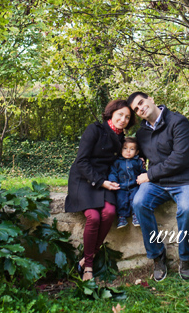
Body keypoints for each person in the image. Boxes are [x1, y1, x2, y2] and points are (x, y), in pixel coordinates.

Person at [127, 91, 189, 281]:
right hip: (159, 183)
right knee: (139, 203)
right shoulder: (142, 133)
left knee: (186, 208)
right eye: (136, 109)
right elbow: (136, 156)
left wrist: (150, 174)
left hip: (186, 179)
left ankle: (185, 258)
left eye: (141, 103)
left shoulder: (178, 122)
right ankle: (157, 256)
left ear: (151, 99)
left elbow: (180, 158)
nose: (141, 108)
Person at [65, 99, 134, 281]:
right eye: (120, 114)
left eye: (127, 117)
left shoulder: (121, 138)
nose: (123, 119)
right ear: (111, 113)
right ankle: (88, 266)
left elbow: (127, 155)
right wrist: (101, 181)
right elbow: (81, 161)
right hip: (85, 179)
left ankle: (86, 259)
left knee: (109, 213)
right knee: (93, 217)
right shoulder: (94, 129)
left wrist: (137, 161)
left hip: (106, 181)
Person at [108, 137, 146, 229]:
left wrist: (145, 176)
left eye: (132, 149)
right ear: (120, 150)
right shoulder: (117, 162)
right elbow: (113, 172)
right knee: (121, 200)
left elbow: (143, 172)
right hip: (121, 186)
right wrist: (113, 181)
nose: (128, 151)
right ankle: (122, 217)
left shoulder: (137, 161)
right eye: (125, 148)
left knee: (135, 199)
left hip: (134, 186)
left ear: (137, 152)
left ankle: (136, 216)